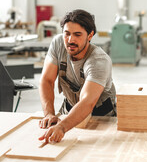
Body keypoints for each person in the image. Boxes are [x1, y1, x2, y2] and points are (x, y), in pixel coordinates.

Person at [38, 9, 116, 143]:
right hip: (69, 111)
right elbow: (47, 80)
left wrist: (62, 127)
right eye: (67, 34)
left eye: (77, 35)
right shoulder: (58, 44)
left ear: (90, 35)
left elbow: (87, 101)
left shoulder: (99, 60)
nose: (70, 40)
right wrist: (49, 114)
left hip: (101, 117)